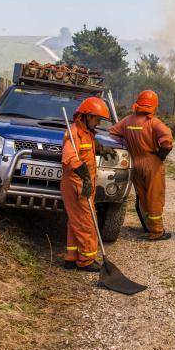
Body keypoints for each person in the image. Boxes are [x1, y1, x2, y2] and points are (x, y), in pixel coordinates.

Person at [109, 90, 174, 241]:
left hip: (135, 163)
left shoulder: (127, 121)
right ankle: (157, 231)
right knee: (155, 196)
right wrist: (161, 155)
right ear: (154, 106)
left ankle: (148, 226)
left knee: (143, 197)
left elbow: (112, 134)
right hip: (152, 163)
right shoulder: (154, 122)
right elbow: (167, 140)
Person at [61, 96, 111, 272]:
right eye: (96, 119)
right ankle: (86, 261)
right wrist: (85, 177)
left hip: (83, 183)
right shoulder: (73, 132)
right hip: (77, 184)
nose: (98, 123)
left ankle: (71, 258)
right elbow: (69, 158)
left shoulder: (86, 133)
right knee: (87, 222)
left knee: (76, 222)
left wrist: (101, 149)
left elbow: (87, 148)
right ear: (86, 116)